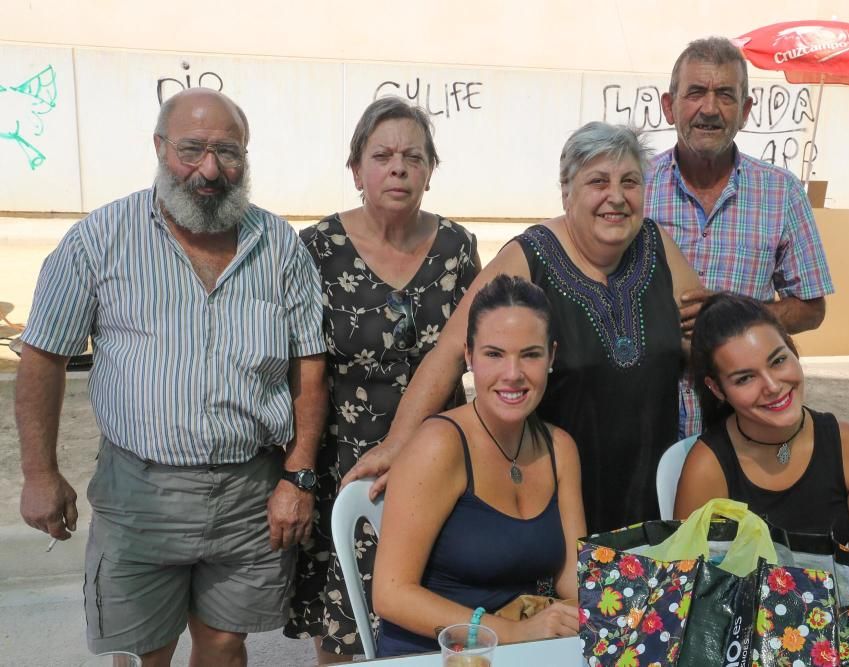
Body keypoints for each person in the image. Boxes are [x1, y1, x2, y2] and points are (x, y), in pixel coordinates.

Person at [16, 88, 327, 666]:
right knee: (142, 653)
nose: (209, 170)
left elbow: (309, 368)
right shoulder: (99, 240)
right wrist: (39, 472)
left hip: (249, 493)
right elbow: (43, 357)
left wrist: (298, 477)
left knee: (225, 645)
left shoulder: (279, 245)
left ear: (246, 155)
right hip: (140, 492)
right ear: (159, 148)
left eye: (227, 153)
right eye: (192, 150)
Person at [344, 121, 704, 534]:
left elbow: (704, 345)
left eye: (630, 182)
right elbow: (448, 353)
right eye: (598, 182)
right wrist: (398, 445)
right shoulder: (530, 256)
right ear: (567, 192)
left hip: (647, 493)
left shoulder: (658, 248)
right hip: (548, 498)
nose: (617, 197)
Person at [285, 96, 480, 663]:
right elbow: (301, 368)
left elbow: (475, 351)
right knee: (344, 635)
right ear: (357, 170)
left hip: (438, 465)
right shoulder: (316, 249)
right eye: (383, 155)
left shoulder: (455, 248)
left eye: (413, 157)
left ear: (428, 172)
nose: (398, 167)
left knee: (434, 626)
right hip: (345, 467)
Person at [373, 274, 585, 657]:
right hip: (433, 653)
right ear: (468, 356)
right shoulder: (439, 445)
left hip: (518, 650)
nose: (513, 373)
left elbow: (573, 579)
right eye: (494, 354)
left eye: (530, 354)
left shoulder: (559, 448)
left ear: (551, 356)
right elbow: (390, 594)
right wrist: (512, 633)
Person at [646, 36, 835, 438]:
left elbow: (812, 308)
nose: (709, 109)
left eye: (726, 96)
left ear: (746, 111)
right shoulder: (635, 187)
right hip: (644, 406)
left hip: (741, 417)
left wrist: (736, 313)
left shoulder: (780, 192)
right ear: (669, 106)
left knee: (727, 504)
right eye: (695, 93)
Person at [674, 293, 849, 560]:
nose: (773, 386)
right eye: (745, 378)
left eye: (778, 361)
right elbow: (690, 587)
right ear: (717, 388)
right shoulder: (707, 468)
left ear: (792, 349)